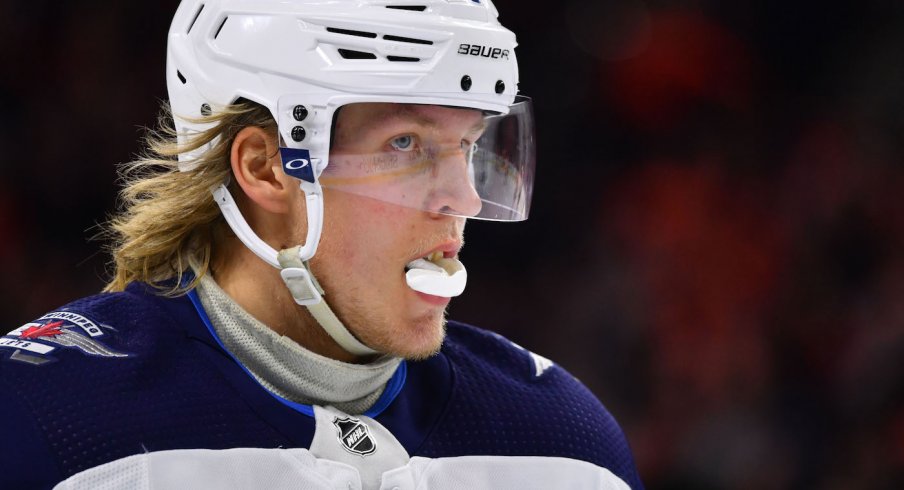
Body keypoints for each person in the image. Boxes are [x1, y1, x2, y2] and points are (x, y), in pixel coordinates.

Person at [0, 0, 643, 488]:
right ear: (267, 167)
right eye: (406, 143)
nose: (464, 199)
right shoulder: (43, 422)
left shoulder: (567, 449)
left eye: (469, 145)